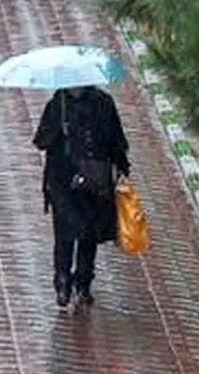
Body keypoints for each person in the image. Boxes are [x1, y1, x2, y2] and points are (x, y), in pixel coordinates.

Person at [32, 85, 131, 307]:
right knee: (88, 234)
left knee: (65, 234)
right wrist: (122, 169)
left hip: (62, 181)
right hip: (94, 182)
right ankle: (82, 283)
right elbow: (117, 142)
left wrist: (60, 132)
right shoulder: (104, 102)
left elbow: (41, 140)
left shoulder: (58, 103)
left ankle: (63, 280)